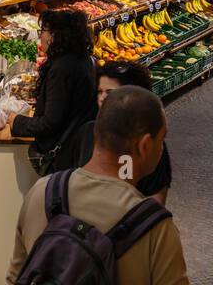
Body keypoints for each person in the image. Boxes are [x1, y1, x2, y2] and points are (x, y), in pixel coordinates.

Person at [7, 86, 201, 285]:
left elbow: (15, 281)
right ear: (144, 146)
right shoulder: (156, 227)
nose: (162, 149)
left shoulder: (42, 192)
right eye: (161, 140)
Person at [68, 60, 174, 205]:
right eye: (100, 92)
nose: (102, 98)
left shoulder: (151, 144)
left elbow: (156, 201)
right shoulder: (86, 132)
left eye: (110, 92)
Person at [9, 9, 98, 175]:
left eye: (42, 31)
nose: (40, 36)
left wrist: (17, 122)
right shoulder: (86, 60)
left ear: (54, 35)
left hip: (63, 157)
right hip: (80, 148)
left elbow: (50, 122)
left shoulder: (61, 69)